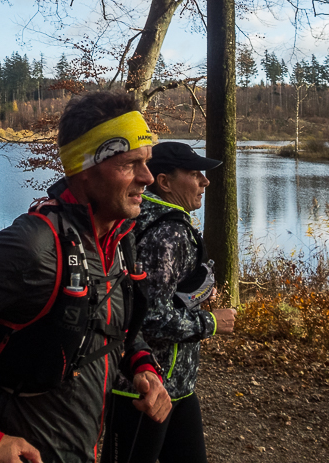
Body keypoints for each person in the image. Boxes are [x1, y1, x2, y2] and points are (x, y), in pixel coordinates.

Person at [0, 91, 171, 463]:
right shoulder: (34, 246)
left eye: (147, 162)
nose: (147, 177)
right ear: (84, 167)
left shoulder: (118, 239)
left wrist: (141, 364)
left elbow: (107, 323)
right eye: (130, 164)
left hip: (86, 444)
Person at [103, 141, 237, 463]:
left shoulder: (141, 218)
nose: (205, 182)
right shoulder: (169, 233)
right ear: (164, 182)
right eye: (195, 174)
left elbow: (158, 294)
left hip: (176, 383)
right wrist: (212, 322)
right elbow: (148, 318)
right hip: (144, 389)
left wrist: (197, 294)